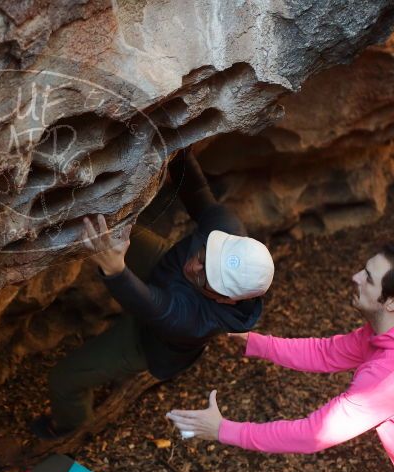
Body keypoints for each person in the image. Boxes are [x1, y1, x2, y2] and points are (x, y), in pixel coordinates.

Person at [31, 149, 275, 439]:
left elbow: (153, 307)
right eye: (203, 253)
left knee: (64, 378)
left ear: (225, 299)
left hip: (146, 340)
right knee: (104, 226)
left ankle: (70, 426)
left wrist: (115, 270)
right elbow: (196, 190)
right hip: (162, 271)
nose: (194, 264)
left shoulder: (195, 321)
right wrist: (178, 147)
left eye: (204, 275)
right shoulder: (225, 230)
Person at [166, 244, 394, 472]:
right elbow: (326, 353)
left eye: (368, 277)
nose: (355, 277)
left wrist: (223, 430)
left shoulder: (388, 377)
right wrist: (256, 343)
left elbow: (312, 434)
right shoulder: (389, 334)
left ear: (392, 302)